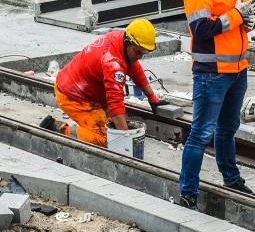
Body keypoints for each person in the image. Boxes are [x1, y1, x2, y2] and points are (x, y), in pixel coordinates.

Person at [178, 0, 255, 209]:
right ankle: (187, 192)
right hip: (212, 72)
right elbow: (200, 28)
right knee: (201, 133)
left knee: (227, 130)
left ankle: (231, 177)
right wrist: (237, 16)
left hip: (237, 69)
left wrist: (249, 20)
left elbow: (242, 17)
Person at [40, 19, 168, 147]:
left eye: (143, 52)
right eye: (138, 52)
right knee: (105, 139)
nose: (140, 56)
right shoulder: (112, 63)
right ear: (128, 42)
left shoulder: (119, 38)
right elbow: (115, 103)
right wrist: (125, 140)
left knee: (112, 124)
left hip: (78, 87)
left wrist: (152, 98)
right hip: (74, 97)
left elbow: (134, 68)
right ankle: (59, 130)